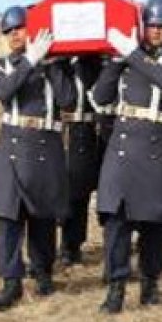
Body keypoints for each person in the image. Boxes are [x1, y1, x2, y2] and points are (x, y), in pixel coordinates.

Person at [94, 0, 162, 313]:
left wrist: (131, 53)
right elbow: (99, 97)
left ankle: (150, 281)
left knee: (153, 224)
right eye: (150, 26)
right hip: (122, 150)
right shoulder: (130, 58)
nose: (155, 32)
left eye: (161, 26)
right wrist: (114, 62)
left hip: (156, 150)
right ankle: (116, 286)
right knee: (116, 221)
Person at [0, 6, 73, 311]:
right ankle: (11, 281)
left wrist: (50, 64)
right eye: (8, 31)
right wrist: (31, 59)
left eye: (19, 28)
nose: (14, 35)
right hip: (13, 143)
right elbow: (5, 92)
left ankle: (43, 270)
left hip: (47, 143)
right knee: (9, 216)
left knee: (43, 214)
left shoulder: (55, 64)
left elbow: (68, 100)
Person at [58, 54, 105, 267]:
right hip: (55, 132)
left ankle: (72, 245)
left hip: (84, 131)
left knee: (79, 192)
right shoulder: (55, 63)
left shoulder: (92, 64)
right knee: (50, 191)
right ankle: (45, 249)